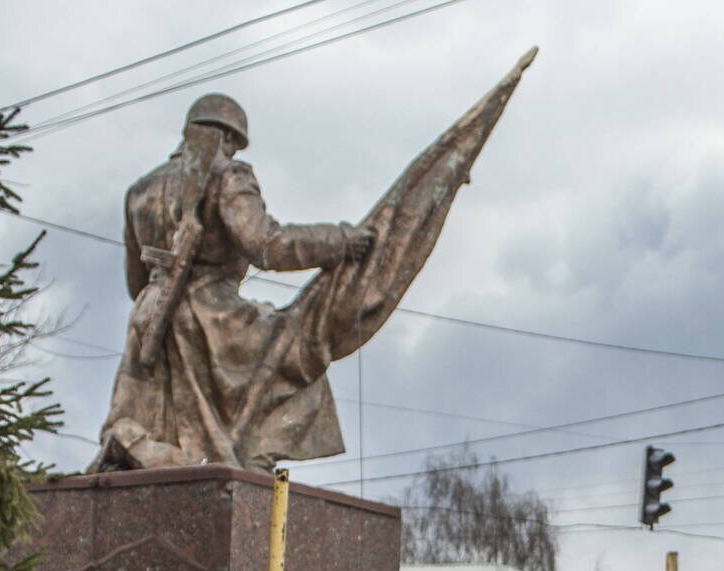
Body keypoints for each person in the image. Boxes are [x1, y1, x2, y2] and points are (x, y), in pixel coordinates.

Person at [97, 57, 532, 472]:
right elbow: (267, 245)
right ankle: (254, 460)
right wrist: (341, 241)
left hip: (149, 322)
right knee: (298, 361)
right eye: (234, 144)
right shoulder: (228, 176)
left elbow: (136, 281)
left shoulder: (141, 190)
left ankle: (235, 467)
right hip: (214, 322)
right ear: (229, 138)